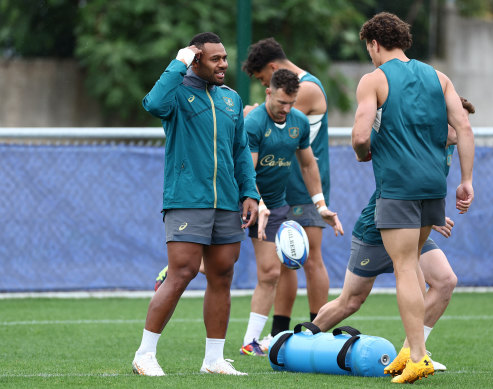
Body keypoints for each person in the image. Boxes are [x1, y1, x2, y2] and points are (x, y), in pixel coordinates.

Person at [351, 13, 475, 383]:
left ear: (374, 44)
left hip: (398, 186)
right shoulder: (439, 77)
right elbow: (464, 127)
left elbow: (360, 138)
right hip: (434, 185)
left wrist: (364, 153)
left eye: (368, 49)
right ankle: (413, 350)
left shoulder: (373, 80)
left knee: (406, 268)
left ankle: (417, 355)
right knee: (415, 266)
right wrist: (466, 180)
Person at [313, 97, 476, 373]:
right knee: (350, 301)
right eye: (457, 121)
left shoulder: (448, 148)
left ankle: (415, 353)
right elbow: (398, 187)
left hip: (414, 226)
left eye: (466, 121)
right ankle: (301, 341)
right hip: (378, 227)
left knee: (445, 281)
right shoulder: (417, 143)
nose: (463, 126)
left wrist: (431, 216)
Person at [132, 32, 260, 377]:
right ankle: (144, 355)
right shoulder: (175, 94)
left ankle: (214, 360)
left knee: (222, 276)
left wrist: (250, 193)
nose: (224, 65)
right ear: (196, 59)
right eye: (215, 59)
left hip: (227, 203)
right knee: (183, 272)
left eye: (225, 58)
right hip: (187, 200)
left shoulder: (231, 100)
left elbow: (239, 153)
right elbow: (153, 104)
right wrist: (178, 60)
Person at [239, 68, 343, 356]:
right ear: (268, 93)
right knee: (217, 266)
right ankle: (177, 267)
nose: (286, 109)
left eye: (292, 102)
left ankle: (250, 342)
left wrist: (321, 205)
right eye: (281, 102)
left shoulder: (298, 122)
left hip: (275, 206)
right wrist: (257, 202)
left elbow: (308, 165)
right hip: (243, 201)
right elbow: (248, 170)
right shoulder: (254, 123)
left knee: (272, 272)